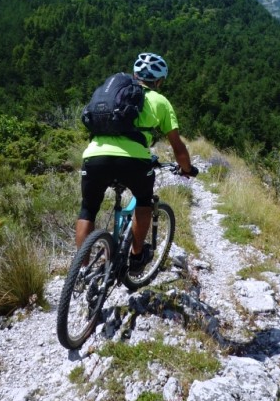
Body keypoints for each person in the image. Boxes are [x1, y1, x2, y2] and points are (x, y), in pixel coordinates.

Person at [76, 52, 198, 272]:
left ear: (134, 75)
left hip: (94, 156)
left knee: (88, 209)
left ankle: (80, 272)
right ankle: (136, 257)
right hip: (134, 162)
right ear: (159, 81)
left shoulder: (113, 95)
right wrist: (187, 169)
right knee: (143, 201)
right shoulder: (160, 101)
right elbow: (177, 146)